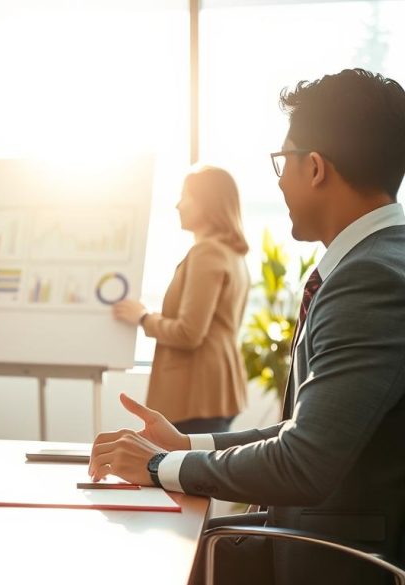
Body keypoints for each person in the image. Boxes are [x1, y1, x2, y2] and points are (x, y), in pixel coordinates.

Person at [89, 69, 405, 585]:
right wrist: (185, 447)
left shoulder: (368, 278)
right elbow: (310, 431)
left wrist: (156, 466)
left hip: (336, 561)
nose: (279, 180)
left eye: (283, 162)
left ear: (317, 168)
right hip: (312, 538)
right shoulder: (376, 261)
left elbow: (303, 461)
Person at [112, 166, 250, 434]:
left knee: (187, 472)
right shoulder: (231, 254)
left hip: (196, 394)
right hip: (218, 389)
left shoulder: (207, 253)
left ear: (207, 204)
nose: (178, 205)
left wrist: (143, 317)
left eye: (185, 196)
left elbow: (189, 333)